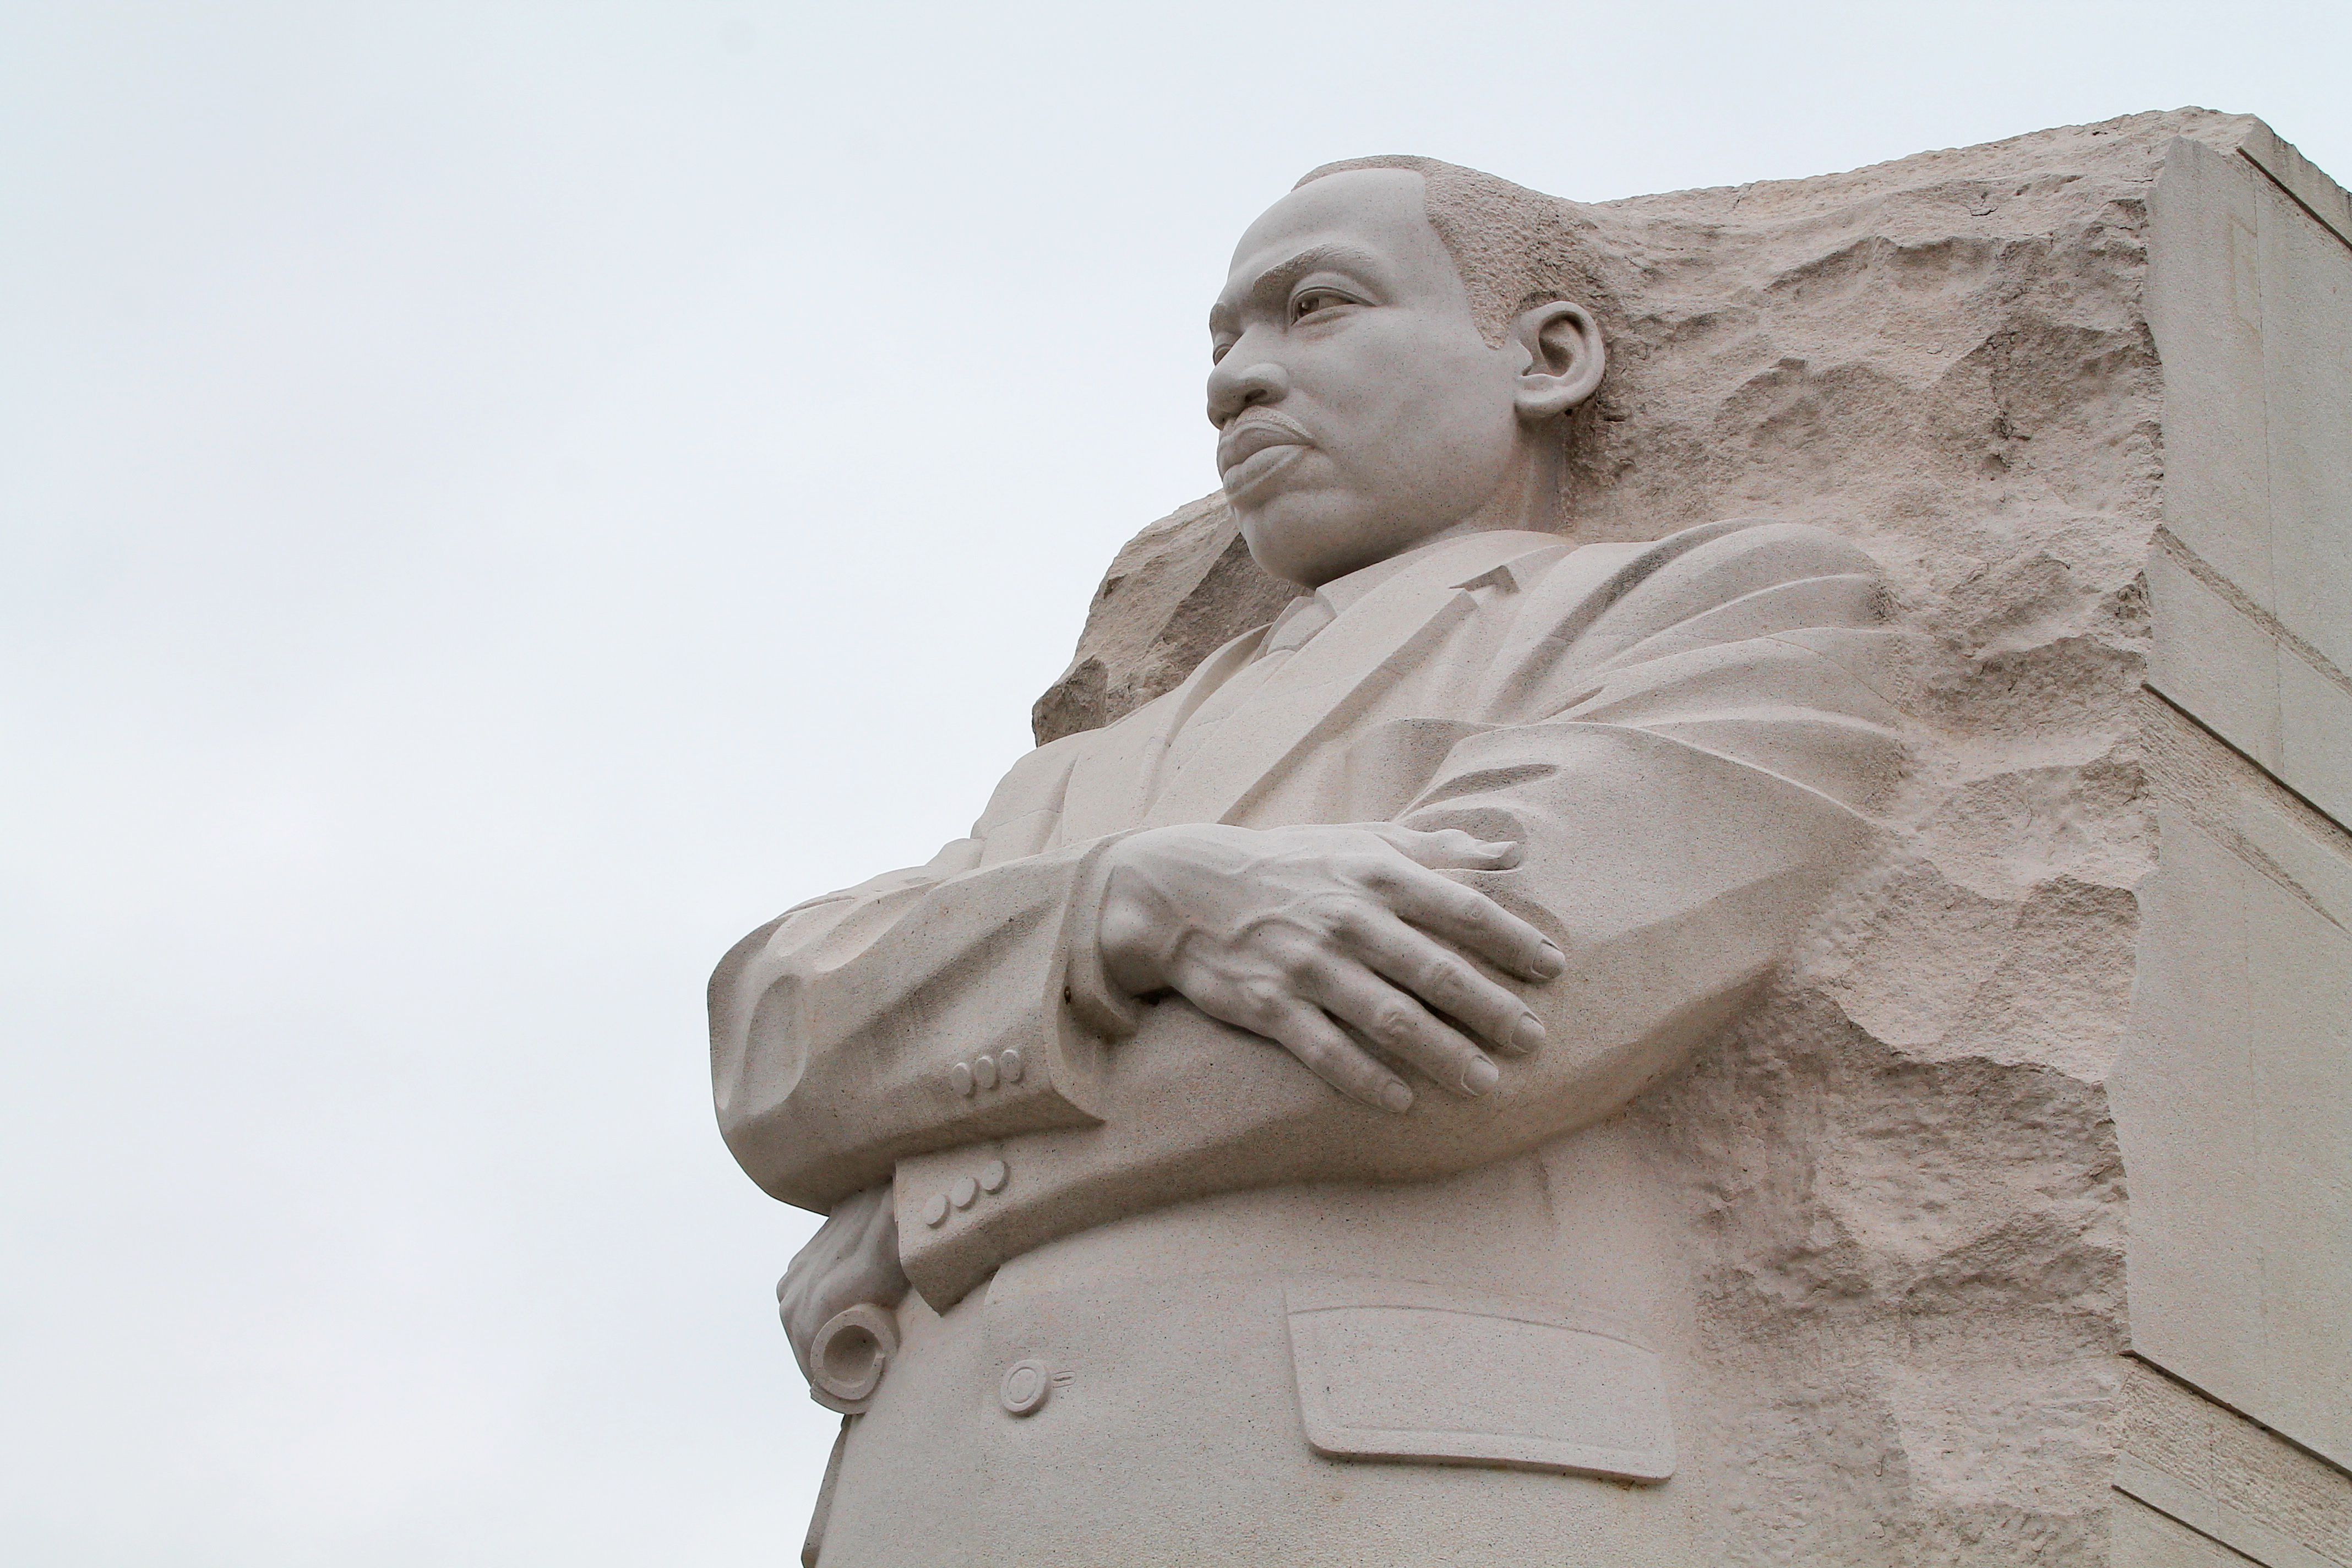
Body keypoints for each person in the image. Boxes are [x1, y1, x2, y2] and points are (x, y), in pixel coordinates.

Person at [712, 156, 1910, 1566]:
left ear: (1546, 354)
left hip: (1393, 1494)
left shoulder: (1720, 611)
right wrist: (1124, 903)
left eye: (1313, 308)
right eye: (1220, 346)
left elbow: (1468, 1006)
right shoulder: (1072, 783)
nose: (1234, 383)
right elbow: (776, 1033)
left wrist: (920, 1199)